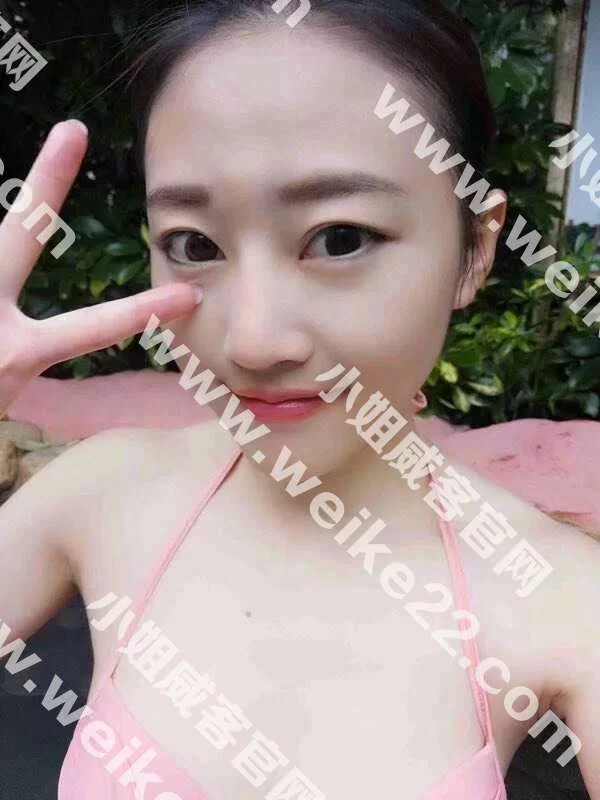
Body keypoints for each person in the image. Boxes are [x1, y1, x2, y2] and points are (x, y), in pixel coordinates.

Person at [0, 2, 598, 798]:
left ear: (477, 248)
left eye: (340, 238)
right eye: (194, 244)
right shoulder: (102, 495)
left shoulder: (559, 595)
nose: (252, 341)